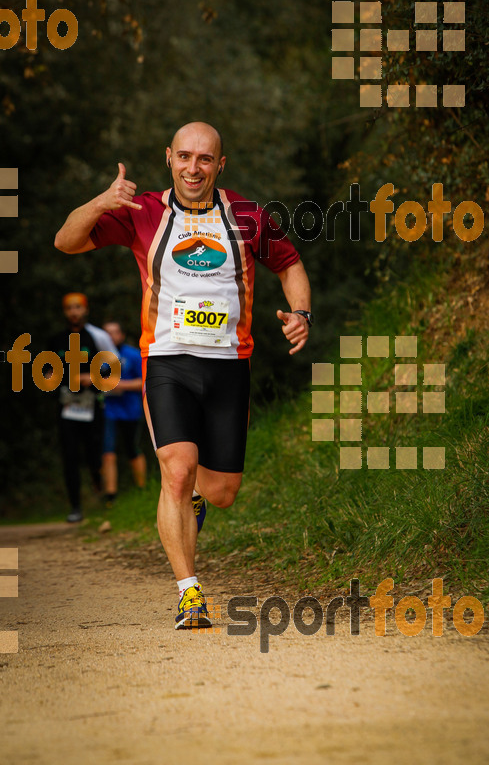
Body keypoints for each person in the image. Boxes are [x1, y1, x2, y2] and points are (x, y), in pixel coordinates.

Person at [54, 121, 312, 629]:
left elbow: (290, 264)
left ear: (221, 165)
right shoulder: (143, 212)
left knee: (221, 492)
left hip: (229, 366)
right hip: (167, 361)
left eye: (205, 159)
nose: (194, 167)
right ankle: (189, 592)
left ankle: (196, 495)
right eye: (185, 157)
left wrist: (300, 313)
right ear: (169, 157)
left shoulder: (247, 216)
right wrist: (102, 202)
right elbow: (66, 240)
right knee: (175, 470)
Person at [47, 293, 119, 523]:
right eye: (69, 308)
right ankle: (76, 506)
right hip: (67, 405)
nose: (74, 312)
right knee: (69, 456)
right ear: (64, 311)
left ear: (85, 309)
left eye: (78, 307)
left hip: (92, 404)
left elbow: (113, 367)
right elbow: (46, 371)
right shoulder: (56, 340)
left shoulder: (97, 337)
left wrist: (94, 376)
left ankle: (100, 485)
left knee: (94, 454)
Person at [101, 321, 147, 505]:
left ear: (122, 335)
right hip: (108, 411)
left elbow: (145, 381)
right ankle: (110, 496)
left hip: (131, 410)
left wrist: (121, 385)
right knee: (108, 451)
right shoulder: (99, 356)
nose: (111, 336)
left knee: (132, 449)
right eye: (107, 333)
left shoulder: (133, 355)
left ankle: (142, 489)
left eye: (114, 332)